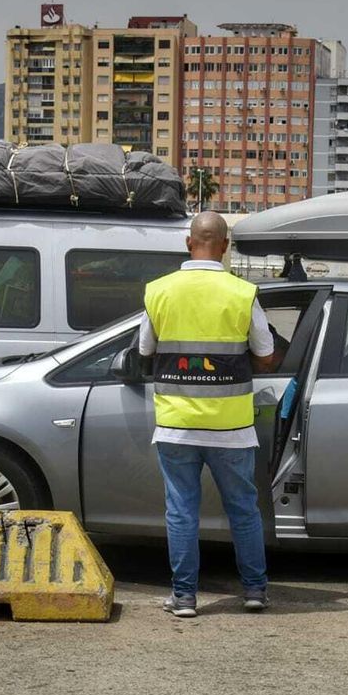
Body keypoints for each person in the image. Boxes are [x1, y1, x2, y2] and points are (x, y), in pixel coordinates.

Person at [137, 211, 279, 618]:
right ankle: (254, 590)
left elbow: (145, 350)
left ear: (189, 243)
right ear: (225, 246)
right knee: (243, 509)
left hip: (177, 425)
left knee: (181, 511)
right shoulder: (242, 293)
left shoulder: (159, 291)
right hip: (230, 427)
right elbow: (266, 355)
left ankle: (184, 598)